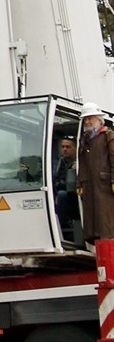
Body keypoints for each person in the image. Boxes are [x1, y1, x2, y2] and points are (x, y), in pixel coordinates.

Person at [77, 104, 114, 244]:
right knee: (93, 223)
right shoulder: (85, 139)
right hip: (90, 185)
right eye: (85, 119)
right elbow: (82, 164)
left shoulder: (108, 136)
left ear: (99, 119)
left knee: (106, 221)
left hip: (104, 184)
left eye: (90, 118)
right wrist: (79, 182)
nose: (87, 122)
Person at [55, 134, 85, 246]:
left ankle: (59, 227)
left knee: (62, 195)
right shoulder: (59, 162)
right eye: (63, 147)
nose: (64, 149)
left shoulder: (82, 161)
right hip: (63, 195)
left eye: (68, 147)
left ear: (75, 148)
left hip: (78, 199)